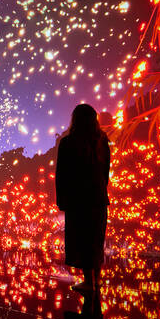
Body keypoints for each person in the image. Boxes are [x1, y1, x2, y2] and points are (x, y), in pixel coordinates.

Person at [55, 104, 111, 295]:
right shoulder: (102, 141)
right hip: (99, 198)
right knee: (95, 239)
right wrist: (101, 190)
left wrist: (61, 199)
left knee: (82, 239)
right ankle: (96, 281)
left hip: (78, 199)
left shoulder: (68, 143)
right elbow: (106, 172)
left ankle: (88, 282)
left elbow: (62, 174)